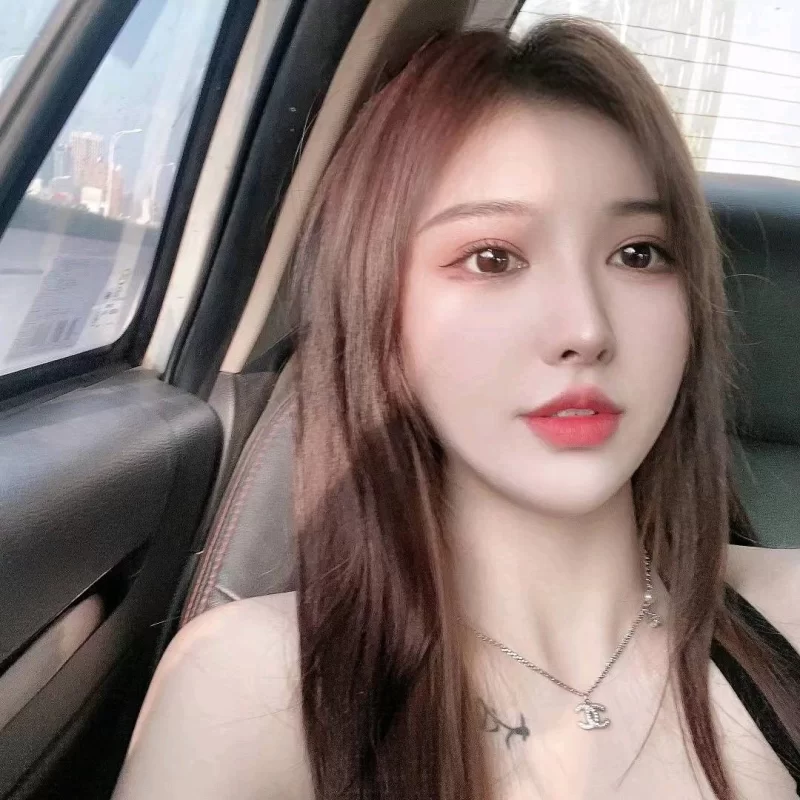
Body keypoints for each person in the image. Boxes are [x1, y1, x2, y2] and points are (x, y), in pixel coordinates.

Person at [111, 17, 800, 800]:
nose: (585, 329)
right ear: (380, 308)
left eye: (637, 253)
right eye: (492, 258)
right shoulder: (250, 693)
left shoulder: (789, 616)